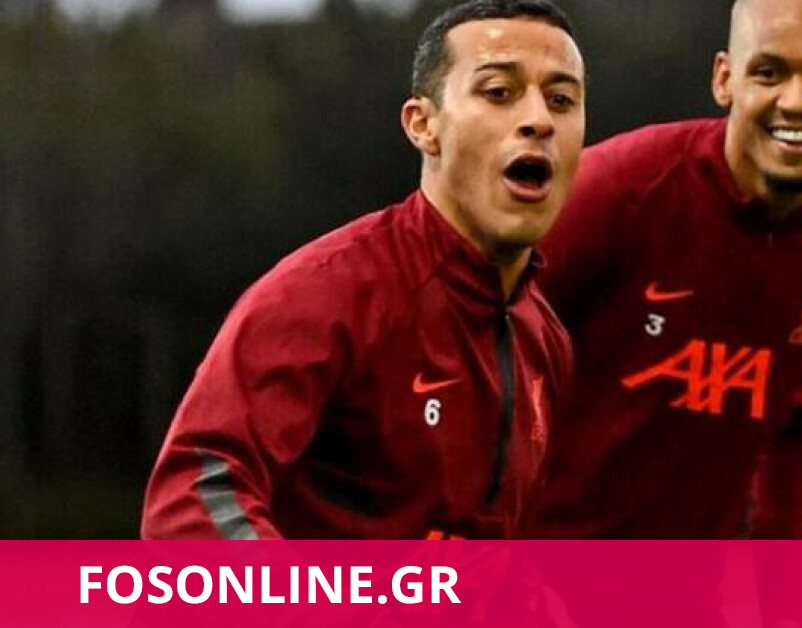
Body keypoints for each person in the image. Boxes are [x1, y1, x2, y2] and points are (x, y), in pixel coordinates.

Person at [141, 0, 585, 540]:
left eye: (561, 100)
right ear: (423, 125)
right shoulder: (322, 296)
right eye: (498, 92)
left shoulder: (546, 341)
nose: (539, 119)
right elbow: (193, 495)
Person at [527, 0, 802, 540]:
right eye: (768, 72)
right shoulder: (614, 190)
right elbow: (474, 349)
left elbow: (798, 424)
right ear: (725, 79)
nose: (798, 101)